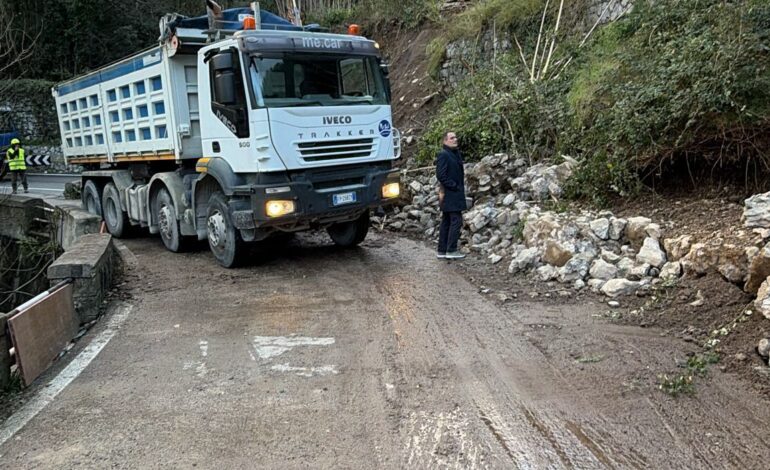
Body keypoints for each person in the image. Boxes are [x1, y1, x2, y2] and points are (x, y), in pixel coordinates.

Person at [436, 131, 467, 259]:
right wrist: (453, 186)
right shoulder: (444, 155)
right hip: (450, 193)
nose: (455, 139)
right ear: (445, 141)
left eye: (455, 137)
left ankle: (442, 250)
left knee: (447, 221)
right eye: (452, 138)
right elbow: (441, 175)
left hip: (454, 192)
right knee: (456, 220)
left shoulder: (455, 153)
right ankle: (451, 249)